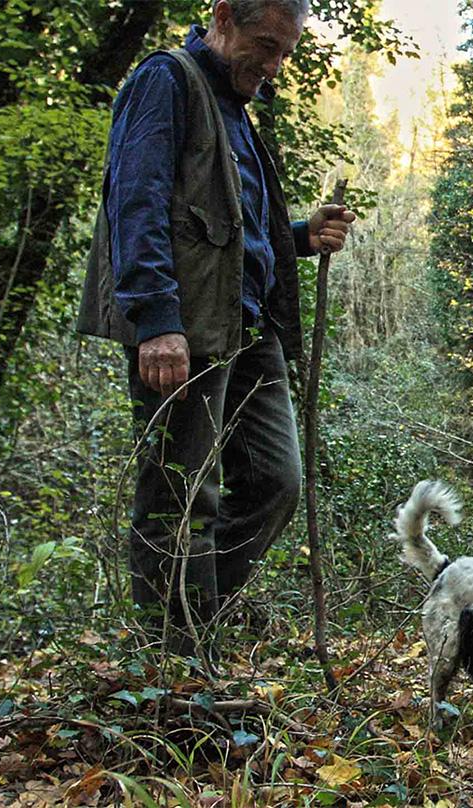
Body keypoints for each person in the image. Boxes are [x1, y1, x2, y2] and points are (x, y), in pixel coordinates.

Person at [77, 0, 353, 661]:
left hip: (246, 325)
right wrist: (156, 321)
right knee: (180, 493)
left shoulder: (234, 108)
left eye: (285, 52)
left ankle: (192, 625)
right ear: (223, 16)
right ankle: (174, 666)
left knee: (275, 483)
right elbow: (134, 201)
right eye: (265, 45)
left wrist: (299, 239)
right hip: (186, 328)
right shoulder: (166, 81)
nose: (275, 65)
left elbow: (231, 235)